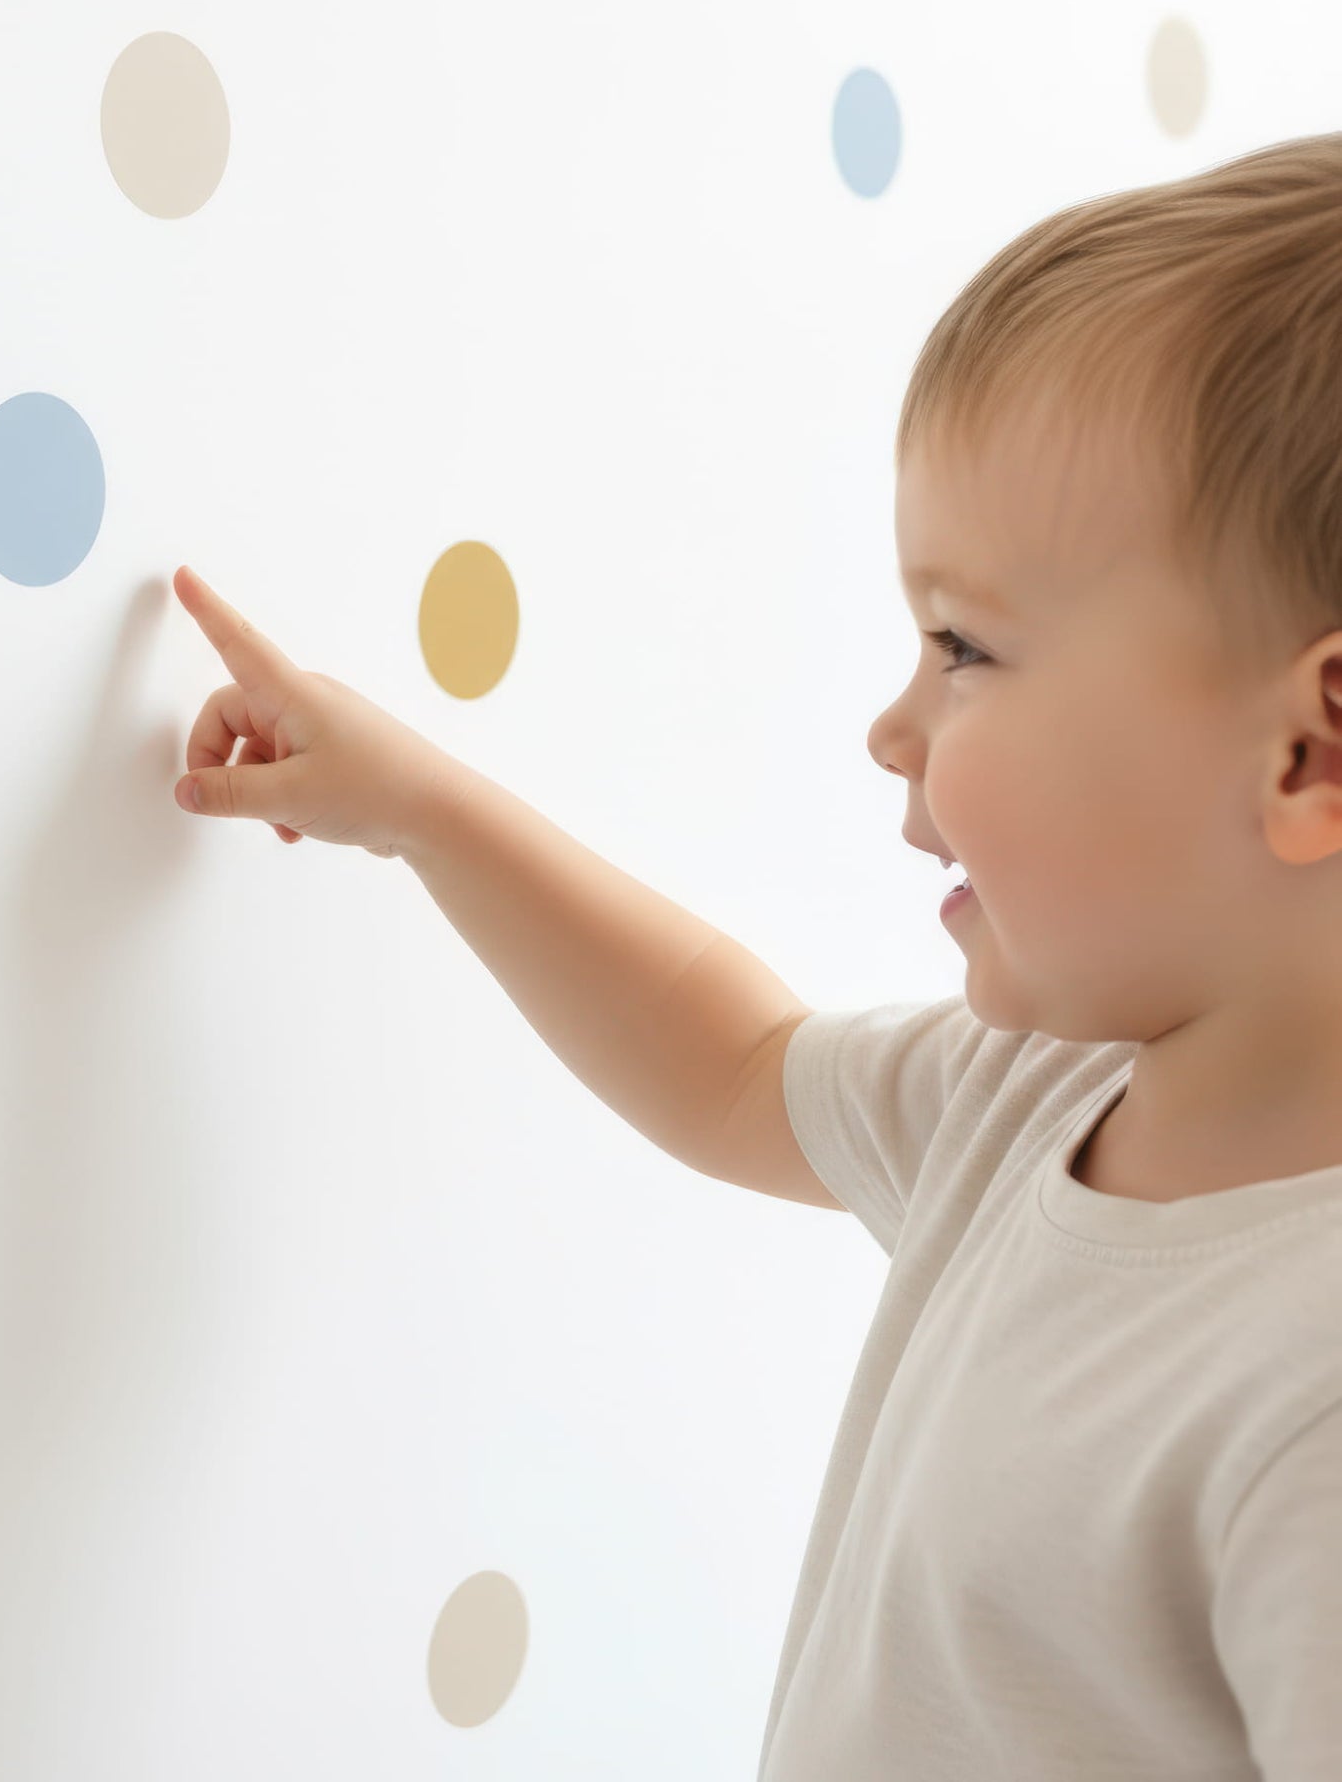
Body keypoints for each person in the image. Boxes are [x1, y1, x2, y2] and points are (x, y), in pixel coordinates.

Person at [169, 131, 1342, 1780]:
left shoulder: (1308, 1394)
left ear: (1310, 755)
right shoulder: (1035, 1096)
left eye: (963, 647)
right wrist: (417, 803)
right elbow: (723, 1056)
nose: (891, 724)